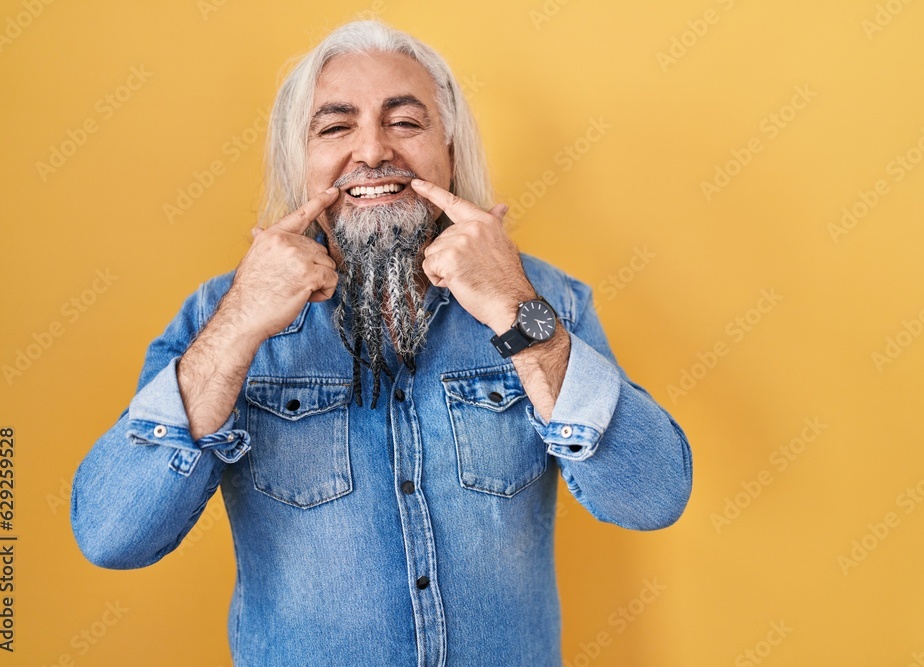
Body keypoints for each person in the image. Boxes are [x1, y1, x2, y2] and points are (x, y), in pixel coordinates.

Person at [70, 20, 692, 667]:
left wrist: (515, 307)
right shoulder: (218, 314)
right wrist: (242, 323)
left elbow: (649, 496)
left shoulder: (549, 301)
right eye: (335, 127)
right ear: (299, 158)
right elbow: (114, 534)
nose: (371, 151)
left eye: (405, 122)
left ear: (449, 148)